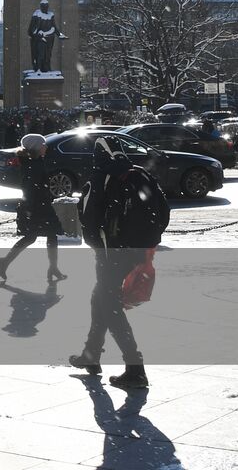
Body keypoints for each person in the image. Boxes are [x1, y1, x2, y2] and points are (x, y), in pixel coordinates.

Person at [69, 136, 169, 390]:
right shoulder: (139, 174)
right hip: (136, 251)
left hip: (110, 253)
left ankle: (135, 368)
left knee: (109, 305)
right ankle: (91, 354)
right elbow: (164, 211)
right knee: (99, 297)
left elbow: (89, 221)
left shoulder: (101, 176)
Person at [0, 133, 66, 283]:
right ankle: (6, 262)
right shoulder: (33, 164)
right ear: (36, 147)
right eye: (43, 145)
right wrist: (29, 207)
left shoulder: (34, 161)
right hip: (37, 206)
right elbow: (30, 188)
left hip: (40, 205)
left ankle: (53, 268)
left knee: (47, 236)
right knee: (34, 237)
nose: (45, 147)